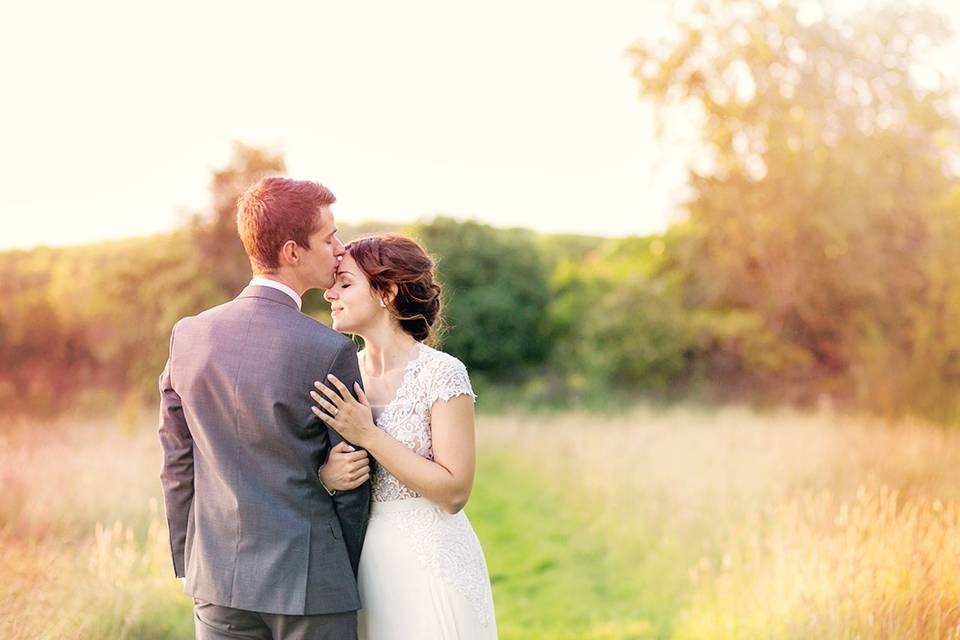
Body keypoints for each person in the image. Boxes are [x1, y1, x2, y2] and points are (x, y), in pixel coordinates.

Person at [158, 177, 370, 640]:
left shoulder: (188, 335)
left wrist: (189, 557)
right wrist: (347, 569)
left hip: (216, 580)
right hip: (312, 584)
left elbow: (177, 463)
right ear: (293, 252)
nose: (340, 247)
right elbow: (354, 480)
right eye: (328, 237)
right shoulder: (329, 350)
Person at [310, 234, 497, 639]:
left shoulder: (442, 373)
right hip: (363, 565)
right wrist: (326, 477)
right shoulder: (339, 375)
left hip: (433, 561)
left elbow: (454, 492)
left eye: (344, 283)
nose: (329, 294)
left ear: (387, 292)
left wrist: (369, 435)